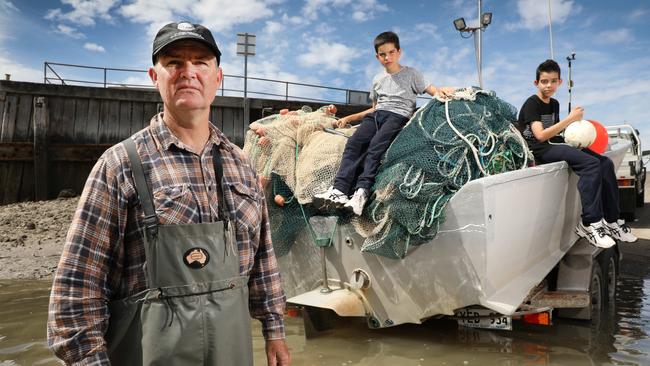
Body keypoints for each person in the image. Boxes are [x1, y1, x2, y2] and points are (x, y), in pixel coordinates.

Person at [47, 21, 291, 366]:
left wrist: (275, 330)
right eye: (174, 62)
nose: (188, 72)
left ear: (217, 78)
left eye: (200, 62)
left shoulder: (243, 165)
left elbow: (263, 258)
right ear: (154, 76)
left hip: (231, 352)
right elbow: (77, 284)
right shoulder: (119, 165)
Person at [314, 31, 455, 215]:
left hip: (398, 116)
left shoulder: (412, 74)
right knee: (354, 143)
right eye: (382, 54)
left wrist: (441, 90)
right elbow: (374, 108)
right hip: (377, 115)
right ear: (377, 56)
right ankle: (339, 190)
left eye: (391, 52)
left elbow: (433, 90)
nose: (387, 57)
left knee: (375, 147)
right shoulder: (377, 80)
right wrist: (349, 118)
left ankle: (361, 192)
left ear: (399, 52)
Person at [517, 59, 637, 248]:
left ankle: (612, 221)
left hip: (554, 143)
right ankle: (589, 223)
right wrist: (569, 119)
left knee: (604, 163)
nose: (549, 85)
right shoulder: (532, 103)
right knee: (590, 164)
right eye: (544, 81)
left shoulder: (554, 103)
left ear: (560, 82)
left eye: (553, 81)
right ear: (536, 83)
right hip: (540, 149)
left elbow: (555, 133)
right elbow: (539, 136)